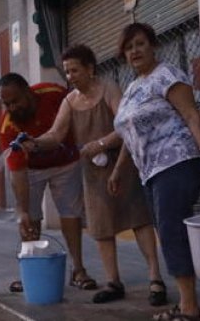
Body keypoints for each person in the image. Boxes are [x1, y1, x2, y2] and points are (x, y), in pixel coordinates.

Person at [23, 44, 167, 306]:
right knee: (100, 227)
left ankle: (155, 279)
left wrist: (101, 144)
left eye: (75, 70)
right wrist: (34, 143)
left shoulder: (109, 89)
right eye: (66, 72)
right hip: (92, 172)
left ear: (90, 69)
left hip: (122, 163)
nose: (70, 76)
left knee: (139, 219)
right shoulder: (70, 100)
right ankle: (114, 282)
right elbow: (56, 134)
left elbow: (127, 125)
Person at [109, 22, 200, 321]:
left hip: (178, 161)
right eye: (129, 47)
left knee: (171, 230)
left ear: (152, 45)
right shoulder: (133, 88)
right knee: (168, 230)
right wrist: (119, 169)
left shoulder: (167, 75)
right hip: (150, 171)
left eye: (140, 44)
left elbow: (190, 115)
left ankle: (189, 307)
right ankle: (187, 303)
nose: (135, 51)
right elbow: (130, 135)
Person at [0, 73, 95, 294]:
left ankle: (78, 270)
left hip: (66, 162)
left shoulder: (54, 93)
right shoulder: (8, 127)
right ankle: (31, 271)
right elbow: (18, 173)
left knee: (70, 213)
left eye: (15, 101)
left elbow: (78, 111)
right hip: (31, 170)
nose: (11, 107)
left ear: (28, 92)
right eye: (6, 103)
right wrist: (22, 210)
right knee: (30, 219)